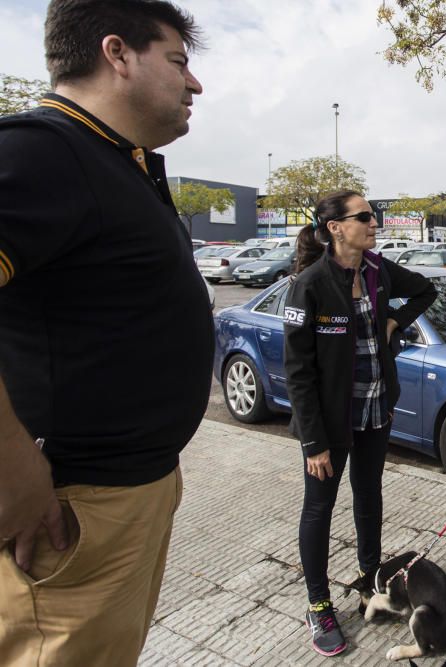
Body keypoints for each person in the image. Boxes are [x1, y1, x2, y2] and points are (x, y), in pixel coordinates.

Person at [0, 1, 210, 664]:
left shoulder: (121, 161)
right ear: (117, 54)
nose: (195, 83)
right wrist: (11, 466)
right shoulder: (42, 150)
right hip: (71, 513)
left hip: (133, 493)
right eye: (178, 60)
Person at [283, 190, 437, 657]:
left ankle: (372, 582)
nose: (376, 223)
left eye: (375, 215)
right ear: (336, 227)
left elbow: (428, 290)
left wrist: (393, 322)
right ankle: (318, 604)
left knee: (369, 495)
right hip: (328, 425)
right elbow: (298, 372)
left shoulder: (378, 270)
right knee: (319, 510)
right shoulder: (308, 285)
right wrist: (314, 443)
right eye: (366, 216)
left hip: (375, 412)